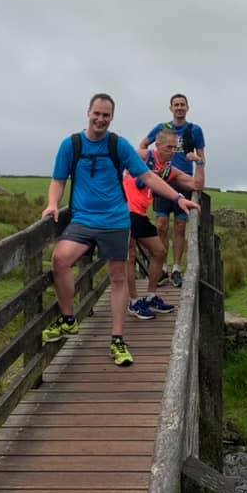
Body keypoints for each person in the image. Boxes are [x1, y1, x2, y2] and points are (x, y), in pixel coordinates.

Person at [41, 93, 200, 367]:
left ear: (111, 118)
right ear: (88, 113)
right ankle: (69, 319)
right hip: (83, 219)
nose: (101, 119)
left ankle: (117, 339)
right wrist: (53, 204)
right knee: (60, 259)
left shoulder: (118, 145)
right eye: (97, 114)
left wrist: (176, 198)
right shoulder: (72, 145)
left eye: (106, 115)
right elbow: (58, 179)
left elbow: (148, 176)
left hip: (115, 220)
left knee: (117, 278)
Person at [125, 128, 205, 318]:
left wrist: (199, 162)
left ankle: (151, 297)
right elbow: (118, 161)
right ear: (158, 146)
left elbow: (197, 185)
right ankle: (134, 302)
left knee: (160, 252)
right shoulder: (143, 156)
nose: (172, 151)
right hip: (123, 211)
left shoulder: (168, 169)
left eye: (175, 148)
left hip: (140, 215)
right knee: (129, 255)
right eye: (169, 147)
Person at [140, 93, 206, 287]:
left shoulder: (195, 130)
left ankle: (176, 267)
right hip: (162, 180)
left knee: (179, 226)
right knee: (161, 224)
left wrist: (199, 168)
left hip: (182, 180)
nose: (179, 108)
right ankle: (162, 268)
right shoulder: (162, 128)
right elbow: (144, 144)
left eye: (182, 105)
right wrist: (147, 167)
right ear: (170, 108)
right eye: (176, 105)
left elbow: (202, 156)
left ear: (187, 108)